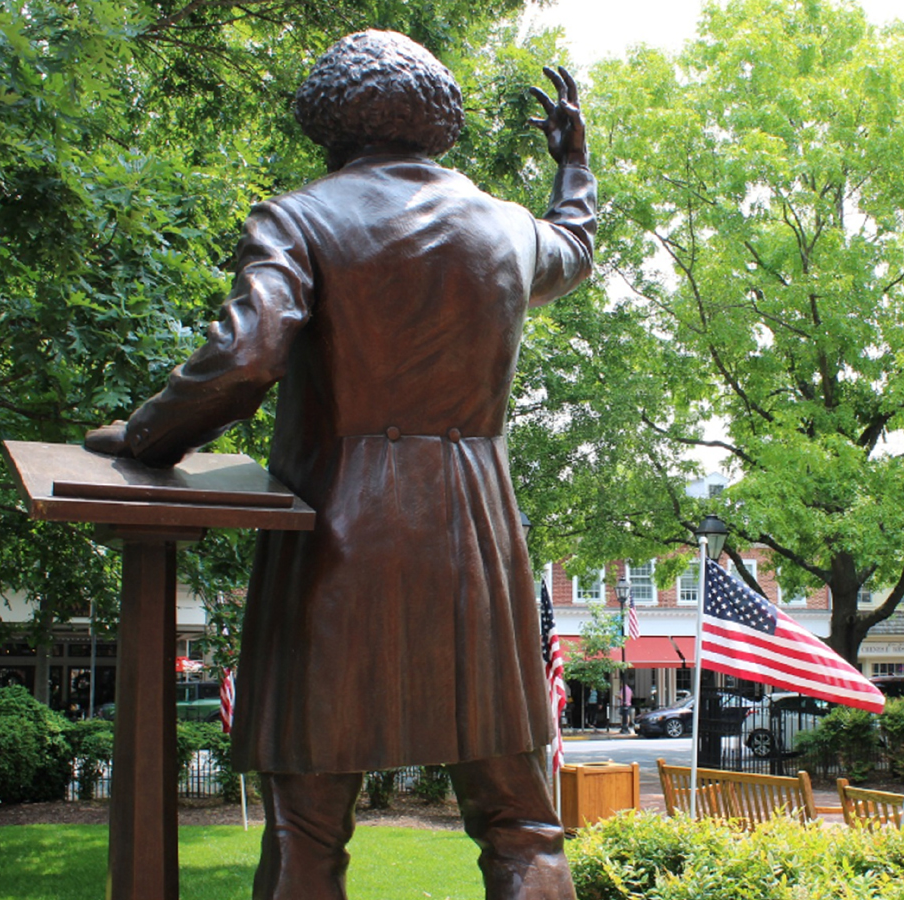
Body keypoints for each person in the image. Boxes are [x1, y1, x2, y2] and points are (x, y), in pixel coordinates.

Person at [85, 30, 594, 900]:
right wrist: (574, 166)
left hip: (338, 531)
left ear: (328, 117)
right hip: (478, 539)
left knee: (307, 826)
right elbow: (574, 245)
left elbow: (246, 357)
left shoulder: (301, 217)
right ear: (440, 119)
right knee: (523, 823)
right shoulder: (509, 229)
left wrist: (146, 439)